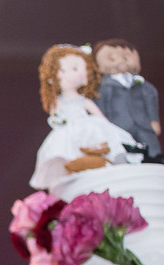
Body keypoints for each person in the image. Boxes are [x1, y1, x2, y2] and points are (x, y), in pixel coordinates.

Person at [31, 44, 138, 190]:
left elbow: (100, 117)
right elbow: (55, 116)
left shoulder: (83, 101)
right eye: (70, 69)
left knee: (99, 150)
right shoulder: (59, 102)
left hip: (87, 126)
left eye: (78, 69)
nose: (76, 74)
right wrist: (58, 120)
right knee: (65, 151)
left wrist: (106, 126)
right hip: (69, 129)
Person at [93, 38, 161, 160]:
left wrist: (153, 120)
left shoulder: (141, 85)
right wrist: (103, 126)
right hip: (118, 126)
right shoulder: (104, 87)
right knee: (122, 152)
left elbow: (151, 100)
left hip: (143, 124)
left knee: (151, 149)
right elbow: (100, 106)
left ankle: (154, 160)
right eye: (112, 58)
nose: (121, 61)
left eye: (126, 58)